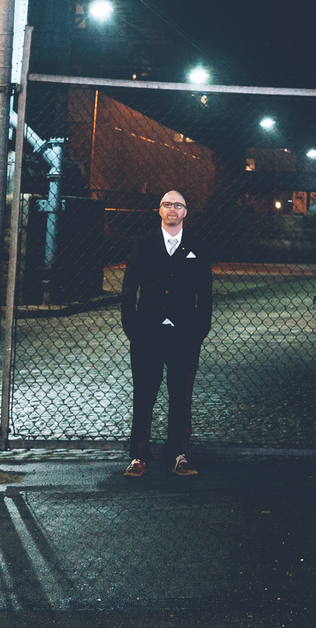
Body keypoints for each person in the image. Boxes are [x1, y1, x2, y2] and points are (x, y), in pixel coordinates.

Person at [121, 188, 212, 477]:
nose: (172, 209)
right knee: (144, 395)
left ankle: (178, 455)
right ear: (160, 210)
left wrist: (200, 329)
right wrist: (132, 328)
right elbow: (128, 289)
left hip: (184, 334)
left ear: (185, 212)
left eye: (178, 205)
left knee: (181, 396)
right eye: (166, 204)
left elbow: (205, 293)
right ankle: (138, 457)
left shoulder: (196, 245)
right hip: (147, 333)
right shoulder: (143, 244)